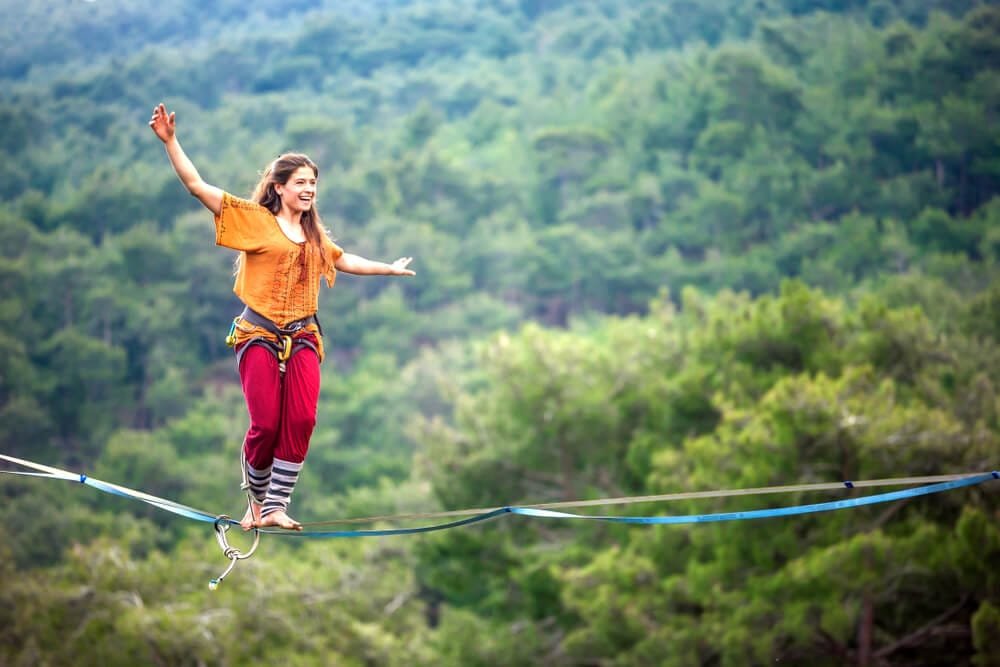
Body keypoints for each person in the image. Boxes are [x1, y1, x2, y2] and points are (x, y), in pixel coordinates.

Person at [149, 103, 415, 531]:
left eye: (313, 183)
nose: (309, 190)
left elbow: (342, 259)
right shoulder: (256, 221)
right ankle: (255, 502)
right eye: (301, 183)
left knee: (302, 419)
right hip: (258, 332)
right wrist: (171, 142)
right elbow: (198, 187)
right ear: (280, 187)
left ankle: (276, 504)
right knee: (266, 422)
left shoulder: (313, 233)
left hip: (304, 334)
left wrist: (388, 268)